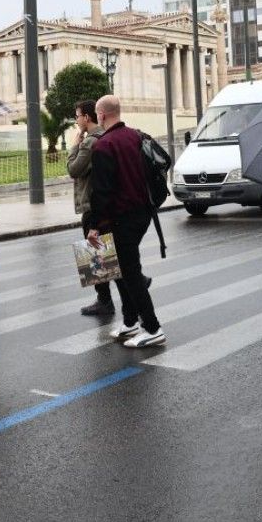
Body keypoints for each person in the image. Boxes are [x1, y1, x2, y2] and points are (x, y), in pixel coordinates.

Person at [86, 95, 166, 348]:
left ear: (101, 115)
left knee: (130, 273)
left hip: (120, 218)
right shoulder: (137, 136)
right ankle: (130, 322)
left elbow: (101, 191)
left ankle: (152, 327)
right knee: (121, 270)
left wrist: (94, 225)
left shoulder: (104, 146)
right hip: (143, 214)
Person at [68, 99, 114, 316]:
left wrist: (75, 145)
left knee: (96, 252)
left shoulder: (89, 142)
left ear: (87, 117)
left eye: (77, 116)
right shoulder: (106, 136)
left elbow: (74, 169)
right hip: (107, 202)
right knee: (105, 251)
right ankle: (107, 297)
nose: (76, 120)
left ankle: (104, 300)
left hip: (91, 203)